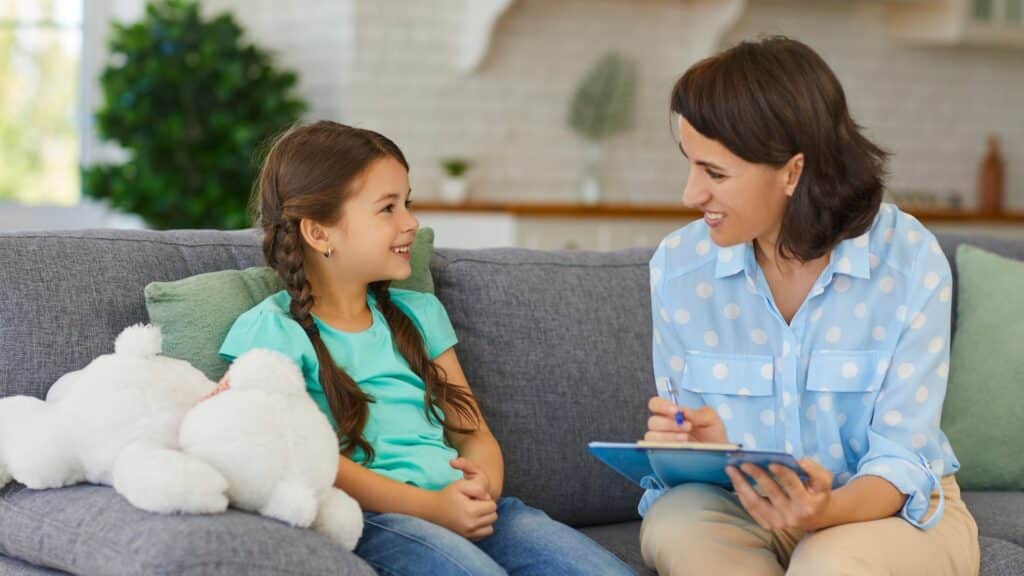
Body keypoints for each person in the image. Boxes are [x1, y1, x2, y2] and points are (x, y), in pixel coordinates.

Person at [219, 121, 635, 576]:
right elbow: (309, 458)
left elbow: (472, 432)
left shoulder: (419, 314)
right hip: (379, 520)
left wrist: (483, 489)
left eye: (408, 203)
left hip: (469, 508)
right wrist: (432, 508)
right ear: (320, 234)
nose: (411, 222)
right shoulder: (271, 332)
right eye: (387, 208)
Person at [641, 37, 979, 575]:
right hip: (746, 506)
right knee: (676, 524)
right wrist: (699, 450)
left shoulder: (909, 262)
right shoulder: (679, 270)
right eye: (691, 165)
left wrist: (825, 510)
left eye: (715, 173)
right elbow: (695, 461)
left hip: (885, 514)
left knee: (830, 561)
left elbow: (902, 460)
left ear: (793, 172)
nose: (689, 195)